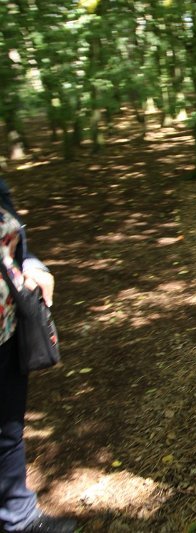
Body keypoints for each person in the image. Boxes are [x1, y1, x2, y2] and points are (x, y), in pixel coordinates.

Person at [0, 179, 75, 532]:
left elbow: (14, 241)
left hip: (8, 328)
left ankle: (19, 517)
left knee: (8, 429)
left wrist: (32, 264)